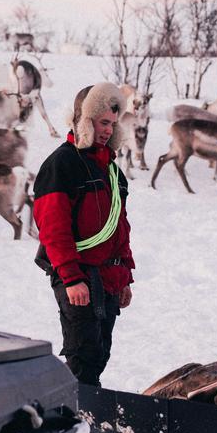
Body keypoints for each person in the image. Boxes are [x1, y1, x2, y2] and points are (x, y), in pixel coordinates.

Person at [33, 83, 134, 386]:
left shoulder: (112, 172)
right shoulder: (61, 165)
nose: (107, 130)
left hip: (108, 277)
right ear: (84, 120)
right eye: (103, 122)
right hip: (77, 275)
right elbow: (54, 229)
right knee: (83, 357)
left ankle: (87, 414)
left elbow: (120, 227)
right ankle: (75, 419)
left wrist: (125, 275)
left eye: (112, 124)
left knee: (100, 355)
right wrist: (71, 277)